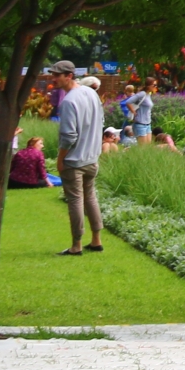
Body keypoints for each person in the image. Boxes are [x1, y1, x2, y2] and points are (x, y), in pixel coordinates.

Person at [50, 61, 105, 254]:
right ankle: (96, 240)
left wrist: (60, 159)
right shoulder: (91, 93)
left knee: (75, 200)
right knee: (90, 197)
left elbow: (69, 136)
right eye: (52, 74)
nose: (53, 79)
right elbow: (101, 121)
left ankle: (76, 245)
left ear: (69, 75)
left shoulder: (68, 101)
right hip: (92, 158)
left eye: (57, 75)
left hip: (74, 161)